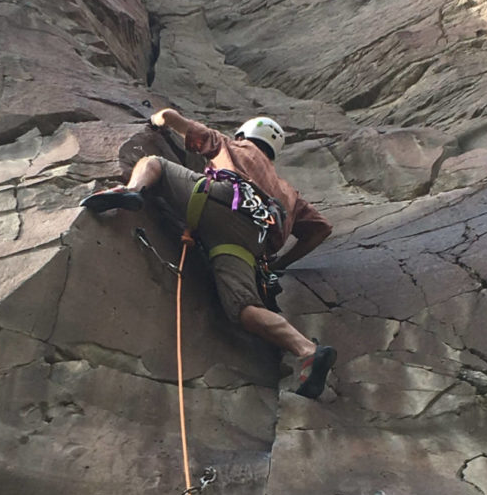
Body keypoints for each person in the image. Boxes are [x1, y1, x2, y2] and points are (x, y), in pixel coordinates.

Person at [80, 108, 337, 399]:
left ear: (244, 134)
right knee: (244, 308)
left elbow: (170, 116)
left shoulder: (234, 145)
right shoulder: (288, 192)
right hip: (250, 243)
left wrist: (154, 121)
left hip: (219, 201)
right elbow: (321, 229)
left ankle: (132, 190)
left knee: (153, 163)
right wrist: (281, 263)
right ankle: (307, 350)